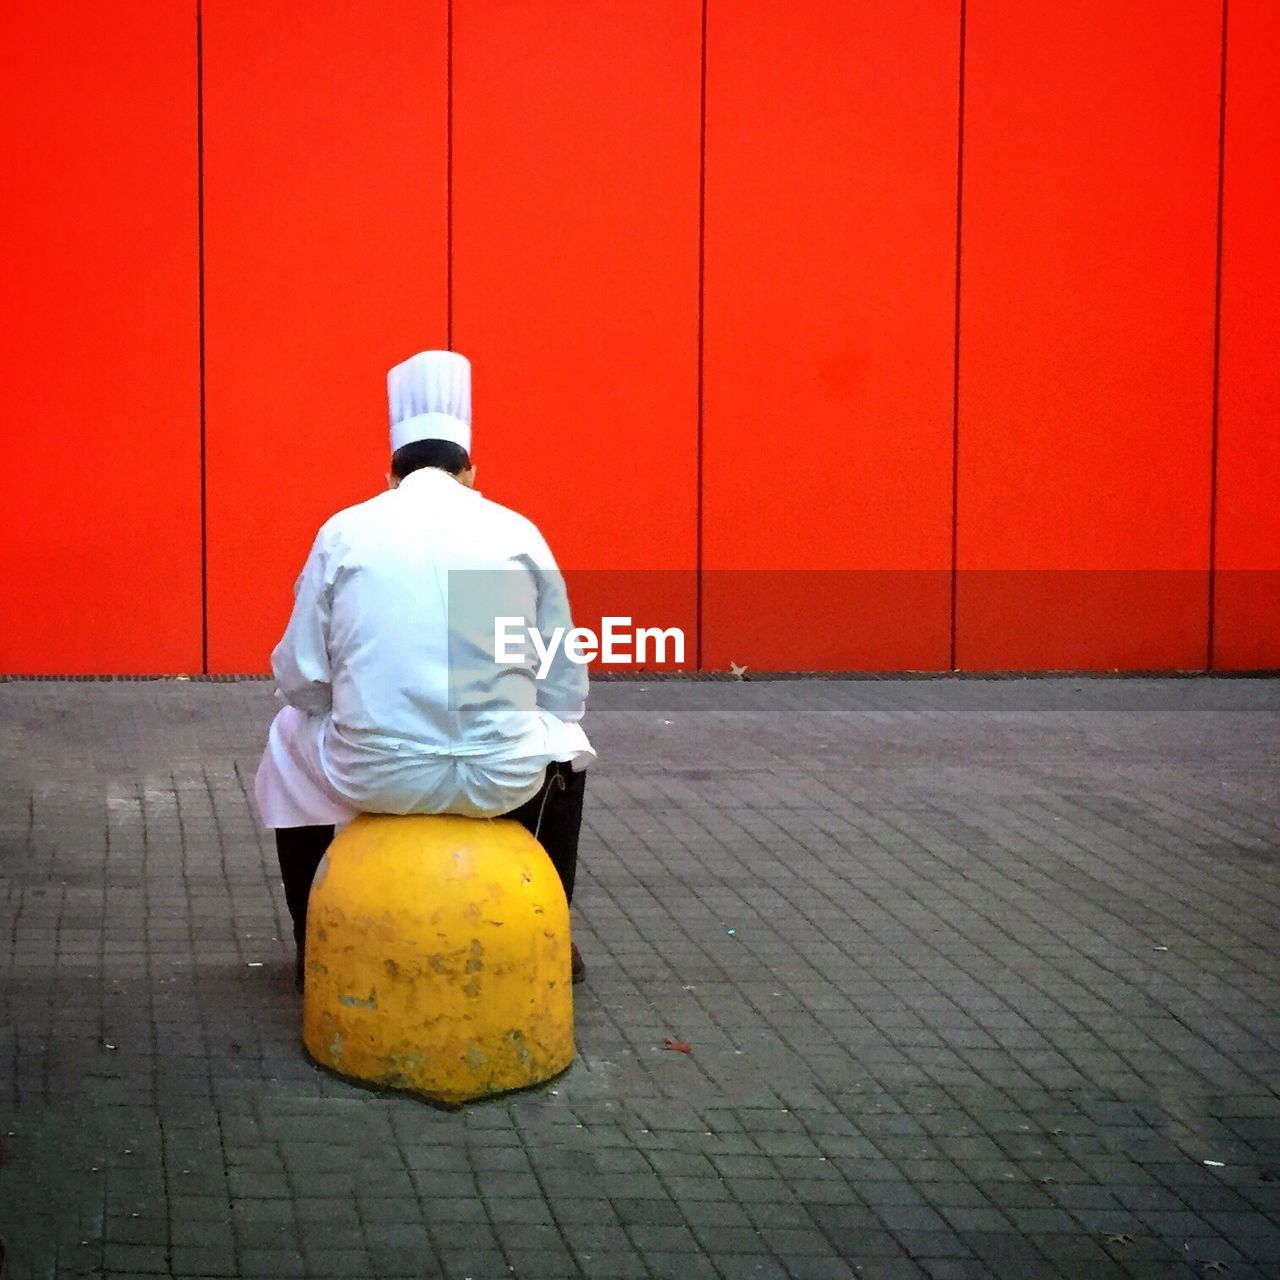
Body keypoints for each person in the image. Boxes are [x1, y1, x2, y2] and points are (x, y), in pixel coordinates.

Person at [254, 350, 593, 990]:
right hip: (502, 778)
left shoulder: (346, 532)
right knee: (568, 745)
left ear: (390, 475)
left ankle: (312, 944)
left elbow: (300, 679)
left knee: (285, 734)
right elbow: (564, 688)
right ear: (470, 472)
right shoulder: (514, 532)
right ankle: (553, 935)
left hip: (375, 775)